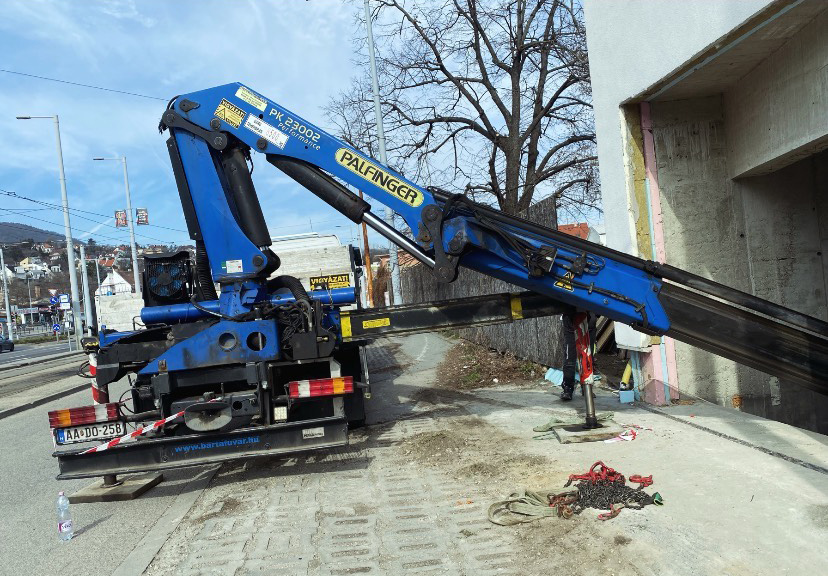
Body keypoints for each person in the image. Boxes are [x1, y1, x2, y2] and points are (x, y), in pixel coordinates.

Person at [560, 312, 597, 401]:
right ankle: (568, 388)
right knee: (570, 356)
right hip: (571, 315)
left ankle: (586, 387)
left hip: (588, 316)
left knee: (587, 355)